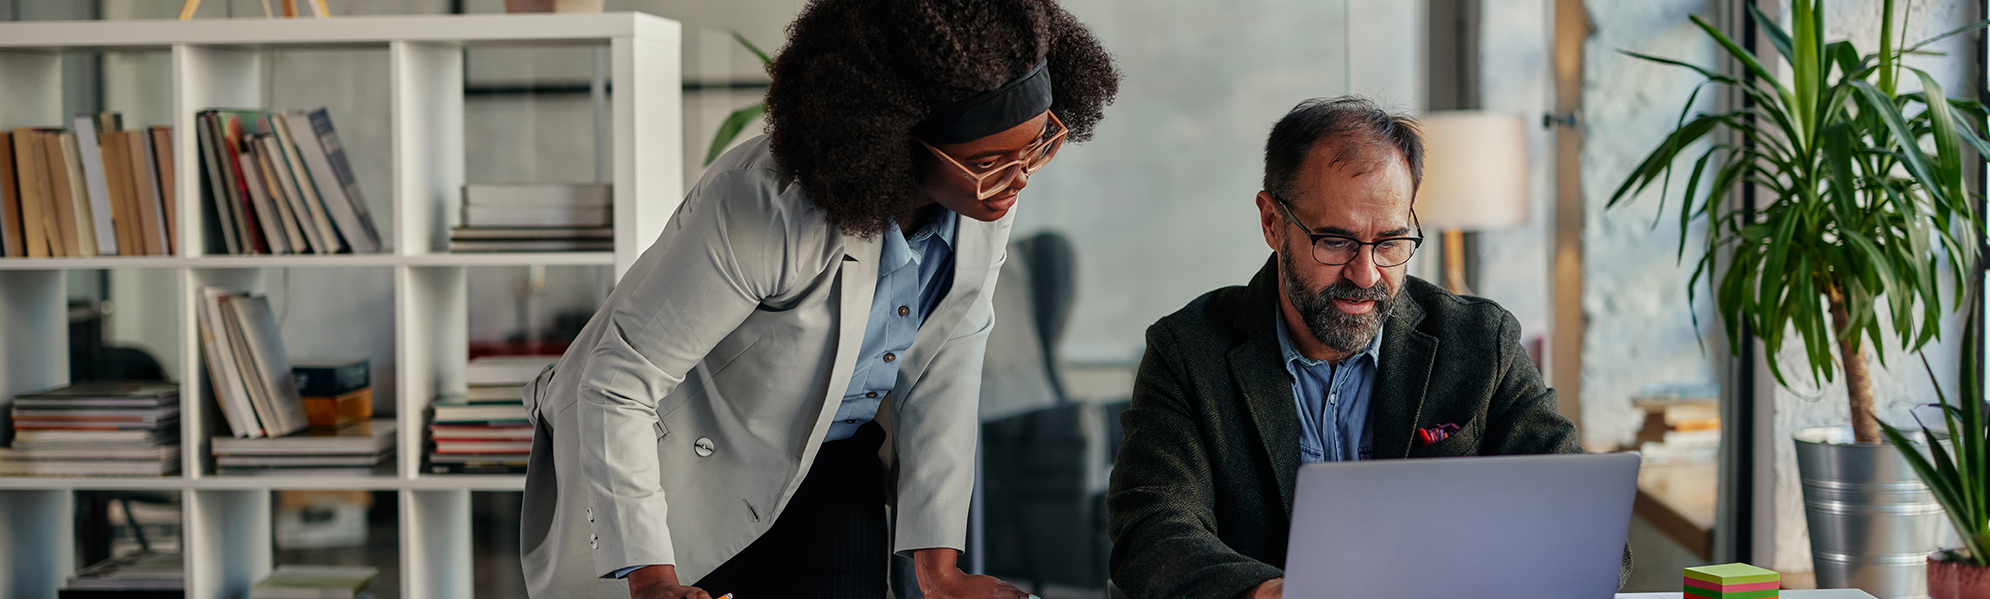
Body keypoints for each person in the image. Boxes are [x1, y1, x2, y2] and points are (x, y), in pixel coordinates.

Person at [516, 1, 1119, 597]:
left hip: (830, 459)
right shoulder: (763, 204)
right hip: (678, 473)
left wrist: (938, 570)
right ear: (892, 138)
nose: (1017, 181)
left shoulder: (983, 199)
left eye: (1037, 146)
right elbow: (618, 381)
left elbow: (944, 371)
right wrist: (651, 580)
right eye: (987, 162)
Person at [1104, 97, 1625, 599]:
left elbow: (1588, 536)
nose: (1366, 272)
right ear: (1272, 222)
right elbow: (1151, 532)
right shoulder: (1188, 352)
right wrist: (1276, 594)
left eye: (1391, 243)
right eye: (1336, 241)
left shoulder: (1480, 342)